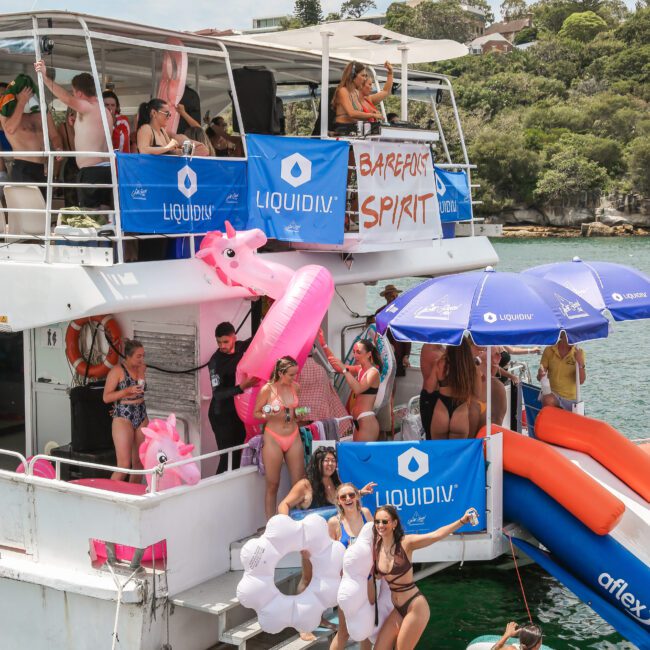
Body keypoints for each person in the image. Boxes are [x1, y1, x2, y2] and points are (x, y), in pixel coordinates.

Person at [372, 504, 478, 650]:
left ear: (394, 523)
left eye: (385, 521)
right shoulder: (376, 546)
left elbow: (436, 535)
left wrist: (462, 521)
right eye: (377, 521)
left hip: (415, 606)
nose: (380, 525)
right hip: (397, 608)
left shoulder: (406, 543)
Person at [34, 61, 114, 209]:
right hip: (106, 169)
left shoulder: (88, 107)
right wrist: (76, 123)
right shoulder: (104, 110)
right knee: (105, 212)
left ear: (79, 93)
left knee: (90, 214)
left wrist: (45, 78)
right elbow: (92, 131)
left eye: (73, 92)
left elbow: (67, 99)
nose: (72, 95)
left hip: (92, 171)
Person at [254, 356, 306, 519]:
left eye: (295, 374)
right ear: (281, 373)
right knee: (272, 483)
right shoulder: (268, 389)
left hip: (293, 433)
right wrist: (268, 413)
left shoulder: (295, 387)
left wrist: (300, 412)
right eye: (291, 374)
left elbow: (295, 412)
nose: (294, 378)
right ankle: (271, 523)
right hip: (273, 436)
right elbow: (256, 413)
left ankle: (297, 519)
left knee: (298, 482)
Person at [207, 322, 258, 474]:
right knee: (226, 457)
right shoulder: (215, 361)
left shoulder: (242, 347)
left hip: (237, 412)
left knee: (237, 454)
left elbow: (260, 336)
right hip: (220, 414)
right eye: (219, 342)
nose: (222, 346)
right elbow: (217, 394)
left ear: (234, 337)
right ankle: (218, 491)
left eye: (225, 342)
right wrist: (241, 387)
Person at [0, 73, 62, 195]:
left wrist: (58, 147)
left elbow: (54, 135)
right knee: (28, 207)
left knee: (44, 208)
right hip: (23, 167)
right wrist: (21, 102)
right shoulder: (6, 114)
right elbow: (10, 128)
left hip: (43, 167)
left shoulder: (42, 113)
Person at [328, 482, 373, 650]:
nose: (348, 499)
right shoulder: (334, 523)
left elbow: (377, 542)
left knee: (366, 628)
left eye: (351, 495)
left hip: (368, 580)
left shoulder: (366, 514)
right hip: (346, 583)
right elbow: (329, 557)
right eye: (343, 497)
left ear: (357, 497)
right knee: (344, 631)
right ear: (338, 501)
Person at [102, 339, 148, 482]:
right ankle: (109, 498)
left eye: (143, 355)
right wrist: (126, 391)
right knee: (123, 466)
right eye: (138, 356)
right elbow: (106, 397)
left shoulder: (142, 368)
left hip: (141, 412)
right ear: (128, 356)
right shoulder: (117, 371)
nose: (142, 359)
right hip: (123, 414)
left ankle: (133, 496)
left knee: (139, 463)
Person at [420, 338, 480, 439]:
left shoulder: (440, 363)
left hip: (442, 409)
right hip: (460, 409)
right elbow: (476, 394)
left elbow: (430, 389)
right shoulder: (473, 368)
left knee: (439, 451)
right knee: (457, 451)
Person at [333, 339, 382, 442]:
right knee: (356, 456)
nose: (355, 355)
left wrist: (344, 369)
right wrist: (323, 344)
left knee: (360, 456)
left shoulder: (373, 372)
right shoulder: (359, 369)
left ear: (369, 354)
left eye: (359, 352)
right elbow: (336, 367)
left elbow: (358, 389)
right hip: (357, 421)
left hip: (367, 422)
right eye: (354, 352)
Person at [136, 98, 207, 156]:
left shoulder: (162, 131)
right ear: (154, 113)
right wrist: (167, 147)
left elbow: (171, 151)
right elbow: (143, 150)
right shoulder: (146, 129)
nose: (169, 117)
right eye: (167, 114)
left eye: (170, 114)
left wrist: (186, 151)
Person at [537, 331, 586, 411]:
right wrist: (540, 375)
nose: (573, 339)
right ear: (561, 336)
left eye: (574, 336)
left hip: (571, 399)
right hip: (553, 395)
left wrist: (581, 363)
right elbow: (539, 377)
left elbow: (581, 381)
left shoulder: (578, 352)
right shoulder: (549, 350)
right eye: (569, 336)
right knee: (548, 400)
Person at [331, 61, 382, 134]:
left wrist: (372, 112)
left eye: (365, 76)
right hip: (344, 130)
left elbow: (359, 113)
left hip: (355, 129)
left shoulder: (356, 92)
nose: (365, 79)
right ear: (353, 76)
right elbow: (352, 113)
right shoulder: (343, 91)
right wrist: (372, 115)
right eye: (362, 76)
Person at [375, 284, 411, 378]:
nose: (394, 298)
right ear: (386, 297)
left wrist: (406, 355)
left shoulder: (403, 312)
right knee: (384, 378)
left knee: (394, 378)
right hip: (384, 351)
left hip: (399, 352)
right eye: (391, 296)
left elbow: (406, 334)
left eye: (396, 296)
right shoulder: (379, 312)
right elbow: (376, 334)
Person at [55, 107, 79, 206]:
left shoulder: (63, 127)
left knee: (74, 201)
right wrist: (55, 176)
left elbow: (59, 152)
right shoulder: (63, 127)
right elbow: (59, 152)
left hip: (74, 165)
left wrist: (55, 176)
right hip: (76, 165)